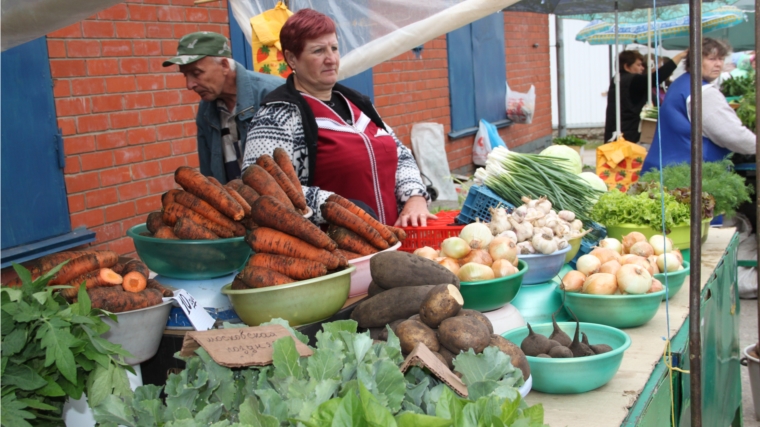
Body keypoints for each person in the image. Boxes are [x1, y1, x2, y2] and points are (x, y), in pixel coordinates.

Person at [242, 9, 435, 227]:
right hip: (334, 251)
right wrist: (337, 208)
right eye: (318, 51)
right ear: (292, 58)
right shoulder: (277, 115)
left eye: (334, 48)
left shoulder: (357, 104)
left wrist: (414, 196)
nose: (331, 58)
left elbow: (400, 155)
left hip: (392, 243)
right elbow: (263, 187)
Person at [163, 32, 283, 184]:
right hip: (235, 205)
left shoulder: (273, 93)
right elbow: (209, 177)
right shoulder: (206, 110)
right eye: (185, 75)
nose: (189, 85)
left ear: (224, 65)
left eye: (196, 73)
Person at [641, 38, 756, 172]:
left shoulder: (680, 83)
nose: (719, 64)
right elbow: (733, 135)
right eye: (712, 59)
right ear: (694, 61)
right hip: (691, 173)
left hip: (665, 169)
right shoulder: (702, 92)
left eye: (721, 59)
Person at [604, 49, 687, 143]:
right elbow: (657, 77)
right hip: (626, 135)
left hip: (615, 132)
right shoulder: (632, 80)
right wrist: (680, 56)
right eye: (638, 65)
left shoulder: (617, 80)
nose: (642, 68)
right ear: (627, 67)